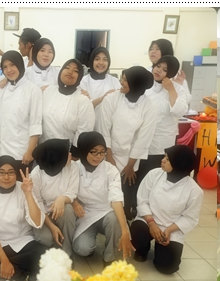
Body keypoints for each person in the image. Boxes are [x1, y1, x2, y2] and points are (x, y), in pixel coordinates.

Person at [95, 66, 158, 220]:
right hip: (108, 153)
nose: (121, 82)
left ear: (137, 84)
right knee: (106, 192)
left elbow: (143, 138)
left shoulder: (150, 106)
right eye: (122, 78)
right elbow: (104, 129)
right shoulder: (112, 99)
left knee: (126, 199)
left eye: (125, 80)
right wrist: (109, 157)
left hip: (131, 157)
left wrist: (130, 166)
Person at [130, 144, 203, 274]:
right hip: (148, 220)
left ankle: (161, 250)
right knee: (138, 232)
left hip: (171, 228)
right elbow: (142, 200)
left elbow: (190, 218)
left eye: (168, 159)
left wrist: (169, 230)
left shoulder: (194, 190)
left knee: (167, 267)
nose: (162, 160)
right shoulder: (154, 174)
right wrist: (152, 224)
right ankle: (142, 250)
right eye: (164, 157)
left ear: (179, 164)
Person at [69, 131, 132, 263]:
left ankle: (109, 256)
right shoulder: (74, 168)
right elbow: (67, 190)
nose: (99, 156)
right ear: (84, 150)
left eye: (103, 152)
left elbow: (116, 199)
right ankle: (90, 241)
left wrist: (125, 230)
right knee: (82, 249)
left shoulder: (110, 170)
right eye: (94, 152)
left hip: (106, 212)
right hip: (85, 214)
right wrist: (74, 202)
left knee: (115, 218)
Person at [0, 51, 42, 164]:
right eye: (5, 67)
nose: (9, 70)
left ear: (20, 65)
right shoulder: (1, 89)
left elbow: (35, 124)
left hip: (21, 153)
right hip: (0, 150)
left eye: (12, 65)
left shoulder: (33, 90)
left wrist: (30, 151)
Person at [29, 139, 78, 256]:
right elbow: (38, 203)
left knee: (68, 209)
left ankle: (66, 252)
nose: (70, 154)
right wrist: (51, 227)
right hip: (43, 214)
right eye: (66, 153)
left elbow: (72, 192)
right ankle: (55, 246)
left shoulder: (73, 167)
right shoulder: (36, 175)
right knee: (46, 239)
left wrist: (62, 199)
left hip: (62, 211)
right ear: (57, 159)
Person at [143, 55, 189, 179]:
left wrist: (171, 90)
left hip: (161, 143)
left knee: (157, 177)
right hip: (142, 139)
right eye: (158, 66)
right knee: (141, 176)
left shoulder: (178, 89)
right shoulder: (146, 85)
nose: (158, 70)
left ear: (171, 73)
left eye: (164, 70)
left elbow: (179, 111)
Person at [41, 59, 95, 146]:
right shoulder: (47, 91)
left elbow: (84, 132)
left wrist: (74, 152)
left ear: (80, 77)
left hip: (67, 151)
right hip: (43, 147)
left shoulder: (83, 100)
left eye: (76, 71)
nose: (70, 72)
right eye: (67, 68)